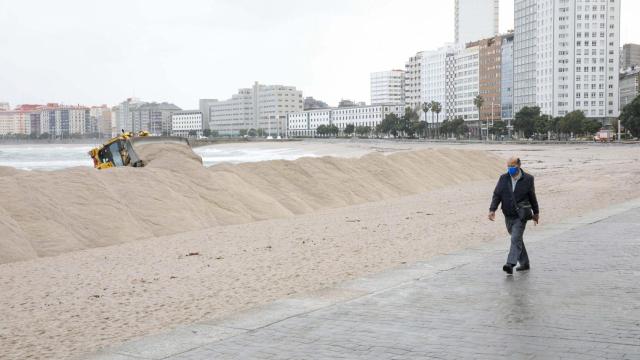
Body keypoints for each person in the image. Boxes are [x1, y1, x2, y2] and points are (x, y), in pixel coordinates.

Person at [488, 156, 539, 275]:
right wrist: (492, 209)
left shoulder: (528, 179)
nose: (510, 168)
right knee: (517, 239)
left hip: (521, 215)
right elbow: (497, 195)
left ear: (519, 165)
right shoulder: (503, 178)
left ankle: (510, 264)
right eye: (508, 166)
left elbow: (532, 196)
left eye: (513, 166)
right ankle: (525, 263)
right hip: (508, 214)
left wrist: (536, 213)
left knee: (515, 238)